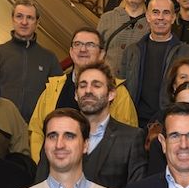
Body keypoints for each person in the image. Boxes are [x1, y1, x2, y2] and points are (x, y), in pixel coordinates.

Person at [27, 27, 137, 161]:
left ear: (102, 53)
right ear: (71, 52)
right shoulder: (53, 88)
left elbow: (126, 138)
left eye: (90, 45)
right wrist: (42, 166)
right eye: (77, 44)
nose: (83, 49)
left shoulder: (118, 92)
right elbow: (37, 131)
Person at [44, 62, 148, 188]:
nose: (88, 91)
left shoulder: (131, 138)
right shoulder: (55, 136)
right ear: (76, 95)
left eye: (96, 85)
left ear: (111, 94)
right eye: (83, 86)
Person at [122, 0, 189, 127]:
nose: (160, 17)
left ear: (173, 18)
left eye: (166, 13)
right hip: (136, 124)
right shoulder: (132, 51)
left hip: (174, 123)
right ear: (147, 16)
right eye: (155, 12)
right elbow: (122, 90)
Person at [0, 1, 59, 116]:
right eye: (19, 16)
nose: (24, 22)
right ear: (12, 19)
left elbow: (57, 94)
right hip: (0, 124)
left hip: (35, 128)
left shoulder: (49, 58)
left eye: (30, 18)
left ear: (37, 23)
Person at [101, 0, 151, 78]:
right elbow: (96, 51)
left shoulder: (152, 23)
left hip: (137, 87)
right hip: (108, 83)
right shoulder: (107, 18)